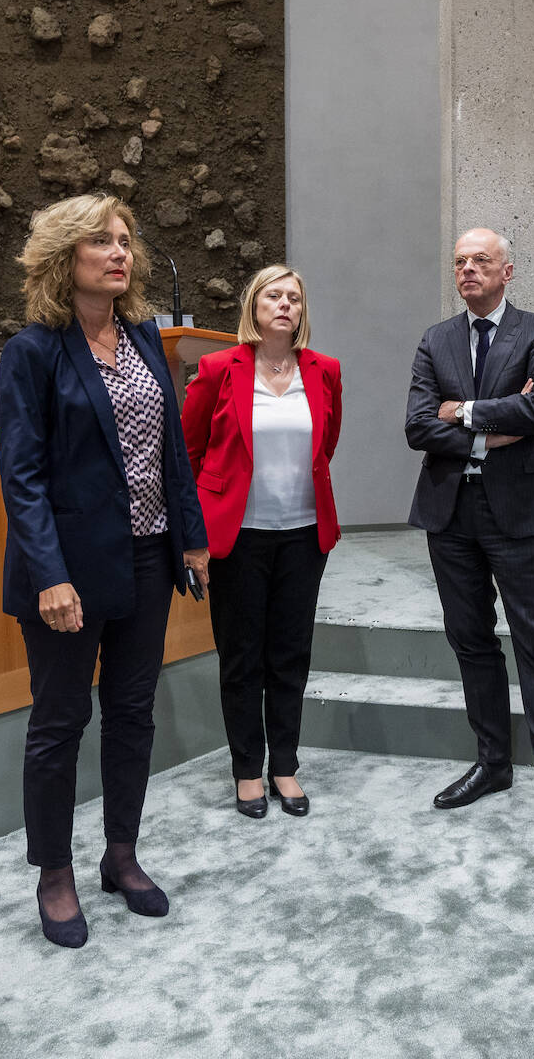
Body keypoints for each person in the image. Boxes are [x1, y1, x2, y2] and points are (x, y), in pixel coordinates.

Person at [0, 192, 210, 949]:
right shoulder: (33, 352)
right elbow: (21, 477)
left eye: (126, 241)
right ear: (65, 258)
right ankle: (54, 874)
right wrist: (50, 575)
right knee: (59, 724)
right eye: (101, 242)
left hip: (148, 557)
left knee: (133, 713)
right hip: (66, 575)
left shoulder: (147, 338)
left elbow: (172, 451)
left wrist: (190, 536)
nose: (120, 253)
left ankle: (121, 855)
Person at [404, 227, 534, 843]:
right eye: (459, 262)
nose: (467, 270)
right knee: (471, 640)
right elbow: (416, 426)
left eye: (480, 261)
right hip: (451, 512)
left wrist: (463, 411)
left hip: (519, 509)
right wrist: (489, 427)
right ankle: (492, 762)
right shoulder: (437, 340)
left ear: (507, 272)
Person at [181, 264, 342, 821]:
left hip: (303, 536)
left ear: (303, 310)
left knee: (291, 655)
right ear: (253, 305)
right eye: (273, 296)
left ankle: (285, 767)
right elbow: (188, 453)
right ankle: (248, 769)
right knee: (242, 657)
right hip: (238, 539)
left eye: (294, 298)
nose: (284, 305)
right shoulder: (217, 368)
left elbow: (327, 446)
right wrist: (194, 535)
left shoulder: (325, 371)